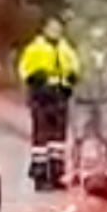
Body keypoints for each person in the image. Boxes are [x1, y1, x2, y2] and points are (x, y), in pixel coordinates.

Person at [17, 18, 81, 192]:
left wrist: (72, 78)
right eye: (53, 28)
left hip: (59, 96)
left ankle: (56, 174)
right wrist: (34, 79)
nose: (56, 31)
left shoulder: (65, 48)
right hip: (41, 96)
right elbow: (24, 68)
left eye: (58, 28)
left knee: (58, 140)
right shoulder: (35, 48)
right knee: (41, 138)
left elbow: (74, 67)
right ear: (45, 29)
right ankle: (40, 175)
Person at [71, 25, 107, 180]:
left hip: (104, 98)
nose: (98, 41)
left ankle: (104, 169)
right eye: (95, 37)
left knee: (105, 136)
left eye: (102, 37)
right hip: (83, 98)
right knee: (79, 136)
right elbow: (72, 71)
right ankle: (75, 170)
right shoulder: (80, 52)